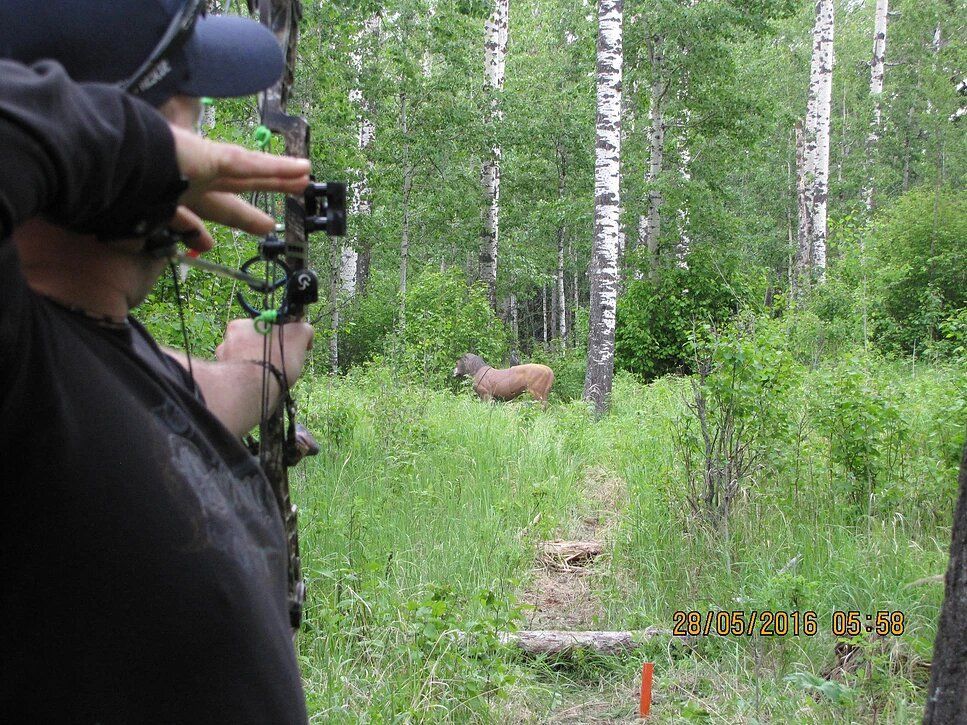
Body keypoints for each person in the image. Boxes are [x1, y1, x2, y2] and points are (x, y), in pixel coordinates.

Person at [1, 1, 318, 721]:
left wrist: (263, 371)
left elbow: (174, 409)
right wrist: (137, 151)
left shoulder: (99, 346)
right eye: (186, 114)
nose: (199, 145)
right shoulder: (17, 359)